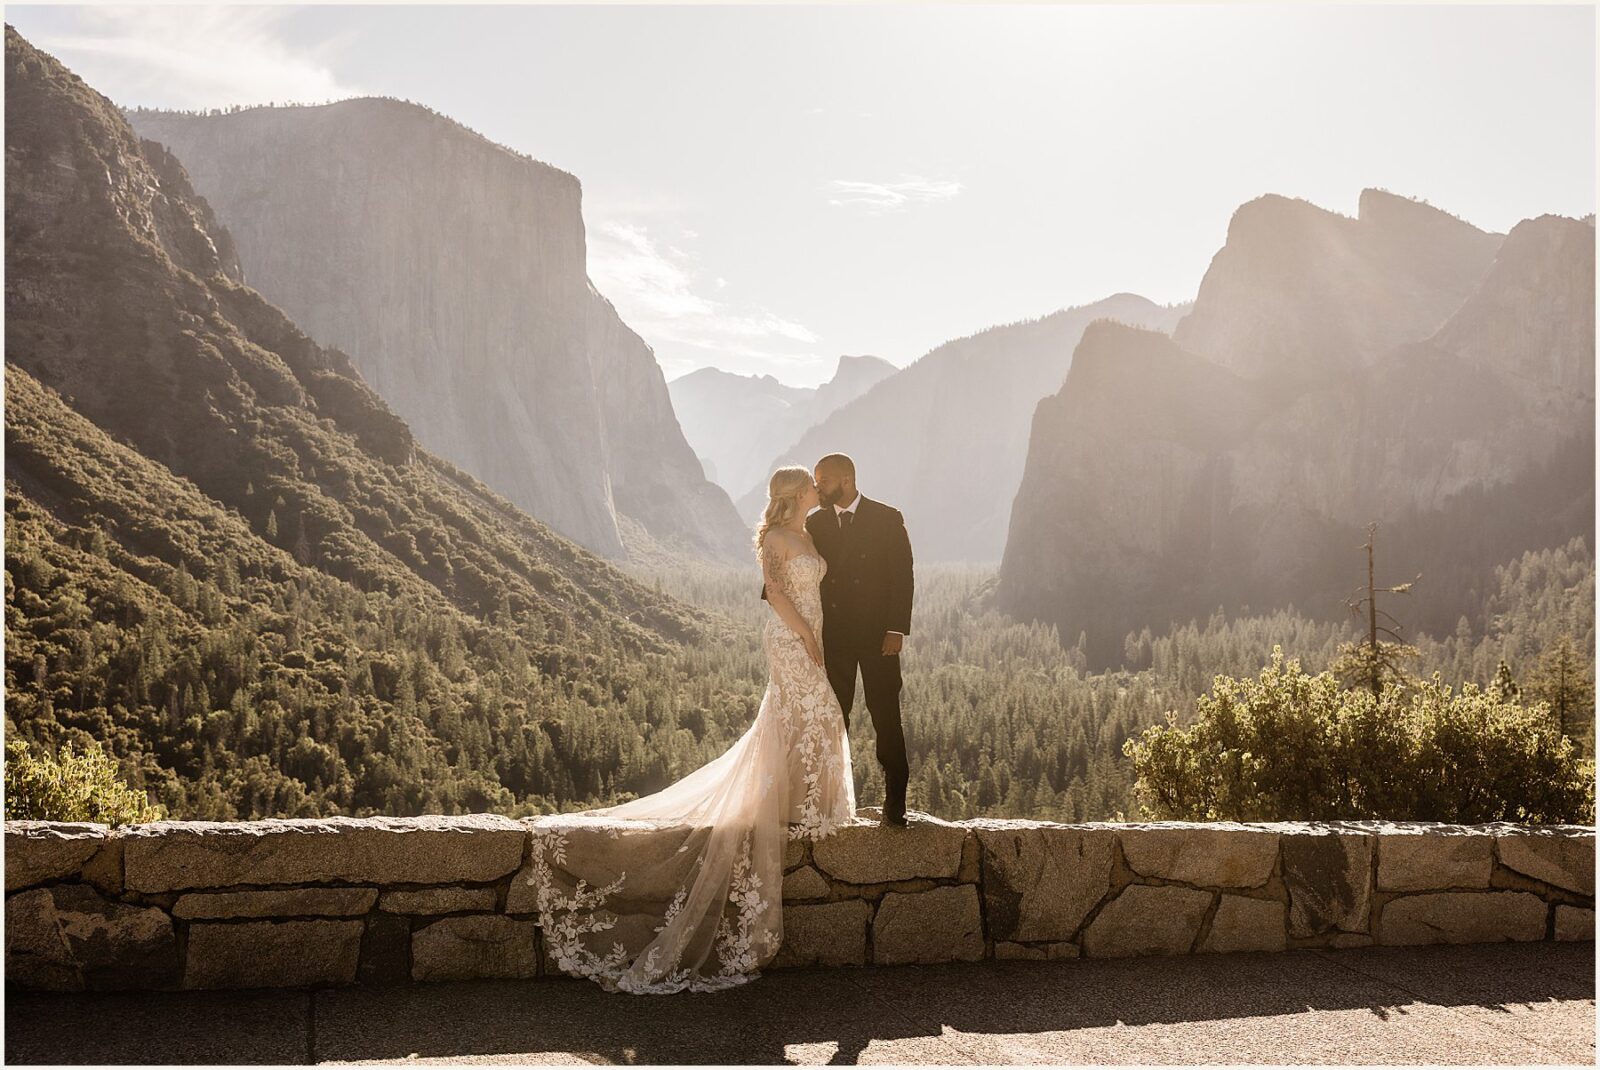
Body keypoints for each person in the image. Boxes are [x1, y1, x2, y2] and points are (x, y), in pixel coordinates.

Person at [524, 466, 855, 994]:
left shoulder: (808, 532)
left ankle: (806, 803)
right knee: (812, 711)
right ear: (797, 493)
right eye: (811, 485)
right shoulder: (775, 537)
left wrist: (820, 633)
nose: (819, 487)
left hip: (811, 634)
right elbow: (775, 593)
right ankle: (796, 803)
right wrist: (807, 638)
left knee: (810, 715)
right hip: (791, 638)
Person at [806, 453, 915, 826]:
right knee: (836, 716)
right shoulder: (815, 523)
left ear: (847, 480)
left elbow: (902, 577)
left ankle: (895, 801)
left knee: (885, 716)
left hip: (878, 637)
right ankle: (832, 798)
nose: (817, 487)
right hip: (834, 638)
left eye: (823, 480)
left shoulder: (886, 518)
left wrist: (896, 628)